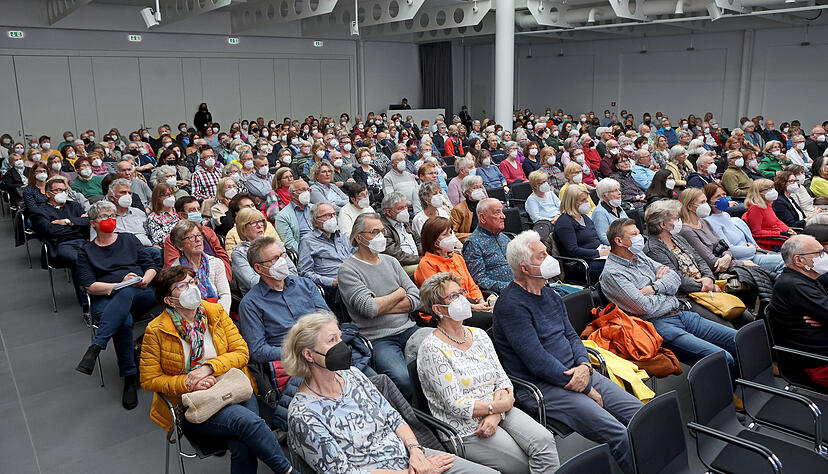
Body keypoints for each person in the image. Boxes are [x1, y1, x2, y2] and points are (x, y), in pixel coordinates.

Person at [492, 230, 643, 474]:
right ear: (525, 268)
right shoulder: (511, 305)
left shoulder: (549, 293)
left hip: (578, 372)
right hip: (543, 385)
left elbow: (571, 335)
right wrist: (585, 387)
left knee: (641, 415)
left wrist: (584, 366)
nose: (550, 258)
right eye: (542, 256)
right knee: (619, 433)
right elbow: (536, 361)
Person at [284, 312, 495, 474]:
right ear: (309, 355)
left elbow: (393, 417)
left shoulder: (353, 375)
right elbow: (343, 471)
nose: (342, 345)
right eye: (332, 340)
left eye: (340, 337)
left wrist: (415, 451)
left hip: (412, 458)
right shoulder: (303, 415)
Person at [140, 266, 295, 474]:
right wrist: (188, 382)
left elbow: (242, 352)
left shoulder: (215, 312)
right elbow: (149, 379)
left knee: (242, 441)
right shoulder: (156, 330)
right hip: (193, 400)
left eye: (193, 282)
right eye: (182, 286)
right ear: (169, 300)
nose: (192, 288)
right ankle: (288, 471)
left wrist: (208, 368)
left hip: (232, 385)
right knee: (247, 424)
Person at [417, 272, 559, 472]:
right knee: (522, 465)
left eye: (461, 293)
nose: (462, 300)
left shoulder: (480, 335)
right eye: (453, 297)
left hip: (500, 411)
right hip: (466, 427)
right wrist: (499, 406)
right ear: (438, 309)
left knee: (545, 441)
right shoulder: (432, 349)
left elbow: (502, 381)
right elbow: (456, 405)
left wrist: (496, 413)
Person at [600, 219, 739, 376]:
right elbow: (645, 307)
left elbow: (675, 277)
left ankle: (746, 383)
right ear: (619, 241)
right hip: (657, 326)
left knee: (739, 339)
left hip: (681, 313)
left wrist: (655, 287)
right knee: (724, 358)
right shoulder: (613, 274)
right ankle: (729, 397)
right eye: (634, 234)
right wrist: (668, 290)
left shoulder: (638, 255)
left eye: (639, 232)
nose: (640, 237)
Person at [75, 200, 159, 409]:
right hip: (105, 295)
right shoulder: (86, 251)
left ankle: (98, 345)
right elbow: (89, 286)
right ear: (93, 223)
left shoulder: (129, 240)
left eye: (112, 215)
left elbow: (150, 266)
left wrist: (144, 280)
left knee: (128, 290)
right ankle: (130, 376)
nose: (110, 219)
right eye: (104, 216)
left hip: (140, 292)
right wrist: (116, 285)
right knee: (124, 321)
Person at [337, 213, 421, 400]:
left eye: (382, 231)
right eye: (374, 232)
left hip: (409, 328)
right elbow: (369, 309)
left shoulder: (391, 261)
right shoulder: (348, 270)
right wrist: (399, 293)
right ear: (359, 238)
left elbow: (417, 298)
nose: (381, 237)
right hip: (379, 338)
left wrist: (380, 304)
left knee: (443, 354)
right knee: (403, 380)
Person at [644, 200, 753, 328]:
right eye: (676, 219)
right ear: (663, 224)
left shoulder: (678, 238)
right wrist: (705, 287)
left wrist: (709, 278)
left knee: (747, 317)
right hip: (687, 296)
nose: (680, 221)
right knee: (727, 326)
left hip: (705, 287)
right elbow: (675, 277)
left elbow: (699, 259)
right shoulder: (653, 249)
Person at [239, 236, 329, 367]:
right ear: (258, 268)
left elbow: (327, 317)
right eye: (275, 259)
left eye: (282, 255)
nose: (282, 261)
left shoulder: (305, 285)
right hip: (291, 364)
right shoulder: (250, 304)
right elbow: (258, 350)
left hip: (325, 349)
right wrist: (298, 352)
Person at [769, 235, 828, 386]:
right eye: (819, 253)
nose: (825, 256)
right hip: (818, 363)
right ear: (799, 260)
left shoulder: (811, 278)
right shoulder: (795, 286)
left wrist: (823, 320)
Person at [414, 217, 494, 329]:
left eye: (451, 232)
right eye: (445, 234)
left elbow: (471, 286)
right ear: (433, 239)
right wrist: (473, 307)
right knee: (491, 319)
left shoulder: (457, 258)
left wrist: (481, 302)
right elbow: (441, 298)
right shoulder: (426, 264)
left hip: (467, 304)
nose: (450, 237)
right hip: (444, 312)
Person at [29, 176, 90, 305]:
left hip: (83, 241)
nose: (62, 193)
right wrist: (76, 225)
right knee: (79, 259)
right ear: (48, 194)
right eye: (58, 190)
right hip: (60, 245)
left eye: (64, 190)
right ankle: (87, 304)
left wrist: (68, 222)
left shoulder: (74, 205)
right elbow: (50, 230)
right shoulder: (39, 211)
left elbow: (88, 222)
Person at [703, 183, 785, 275]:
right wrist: (752, 248)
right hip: (744, 259)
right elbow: (729, 250)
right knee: (785, 263)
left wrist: (748, 246)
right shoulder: (710, 222)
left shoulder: (726, 215)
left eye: (724, 195)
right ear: (708, 200)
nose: (723, 198)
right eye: (718, 196)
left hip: (752, 253)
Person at [298, 203, 355, 308]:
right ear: (315, 222)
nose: (332, 218)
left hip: (353, 277)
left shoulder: (341, 237)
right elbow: (305, 273)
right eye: (327, 215)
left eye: (334, 215)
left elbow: (353, 254)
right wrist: (331, 282)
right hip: (334, 287)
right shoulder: (308, 241)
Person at [169, 220, 231, 314]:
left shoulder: (216, 263)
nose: (198, 240)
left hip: (219, 314)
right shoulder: (175, 270)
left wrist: (218, 315)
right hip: (192, 317)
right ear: (180, 246)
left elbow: (225, 295)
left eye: (199, 235)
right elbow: (181, 305)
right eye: (191, 237)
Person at [553, 185, 610, 282]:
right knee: (615, 267)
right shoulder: (564, 223)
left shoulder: (584, 217)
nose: (587, 202)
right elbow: (573, 250)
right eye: (583, 200)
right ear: (572, 202)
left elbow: (595, 238)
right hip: (579, 264)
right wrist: (598, 253)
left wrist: (605, 247)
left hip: (595, 256)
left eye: (586, 199)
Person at [463, 198, 513, 293]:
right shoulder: (473, 243)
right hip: (502, 294)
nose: (503, 216)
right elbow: (479, 280)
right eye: (497, 213)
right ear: (482, 218)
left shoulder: (504, 238)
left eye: (502, 211)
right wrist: (510, 287)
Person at [742, 178, 794, 251]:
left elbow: (777, 221)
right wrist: (781, 233)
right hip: (770, 242)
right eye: (768, 189)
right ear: (758, 192)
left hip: (780, 237)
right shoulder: (756, 208)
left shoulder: (767, 204)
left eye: (772, 187)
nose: (772, 190)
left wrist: (788, 229)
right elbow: (757, 232)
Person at [379, 192, 421, 272]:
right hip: (401, 266)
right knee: (428, 268)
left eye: (405, 207)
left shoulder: (405, 222)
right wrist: (420, 259)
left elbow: (418, 241)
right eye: (400, 208)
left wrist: (424, 255)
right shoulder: (382, 228)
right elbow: (396, 255)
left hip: (417, 260)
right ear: (388, 212)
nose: (405, 211)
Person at [275, 179, 312, 254]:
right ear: (292, 194)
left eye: (308, 190)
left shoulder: (316, 208)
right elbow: (289, 243)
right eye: (302, 190)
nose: (307, 193)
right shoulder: (282, 216)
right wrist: (308, 253)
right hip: (306, 251)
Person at [451, 174, 488, 243]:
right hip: (471, 243)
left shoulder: (486, 205)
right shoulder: (458, 209)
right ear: (467, 191)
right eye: (475, 188)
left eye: (480, 187)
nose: (479, 190)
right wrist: (474, 236)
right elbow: (453, 234)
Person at [591, 177, 628, 246]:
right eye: (614, 191)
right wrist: (624, 244)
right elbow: (604, 238)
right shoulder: (599, 212)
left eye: (619, 190)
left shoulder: (618, 207)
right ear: (604, 196)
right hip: (618, 247)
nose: (619, 193)